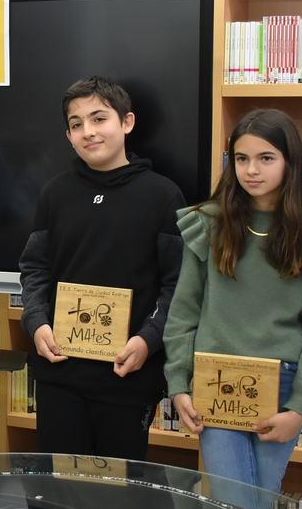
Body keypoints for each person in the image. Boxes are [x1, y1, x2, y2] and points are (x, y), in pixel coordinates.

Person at [164, 108, 302, 509]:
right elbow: (183, 314)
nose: (252, 170)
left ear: (290, 162)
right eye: (241, 159)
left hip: (281, 388)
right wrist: (178, 385)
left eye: (266, 158)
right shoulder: (208, 224)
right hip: (215, 380)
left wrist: (299, 409)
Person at [19, 76, 185, 461]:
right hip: (59, 373)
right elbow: (34, 268)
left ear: (126, 122)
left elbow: (177, 283)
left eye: (98, 119)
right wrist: (37, 321)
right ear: (68, 135)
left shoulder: (163, 195)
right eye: (77, 124)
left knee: (119, 497)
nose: (88, 132)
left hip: (127, 375)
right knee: (59, 492)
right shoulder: (54, 193)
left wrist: (148, 339)